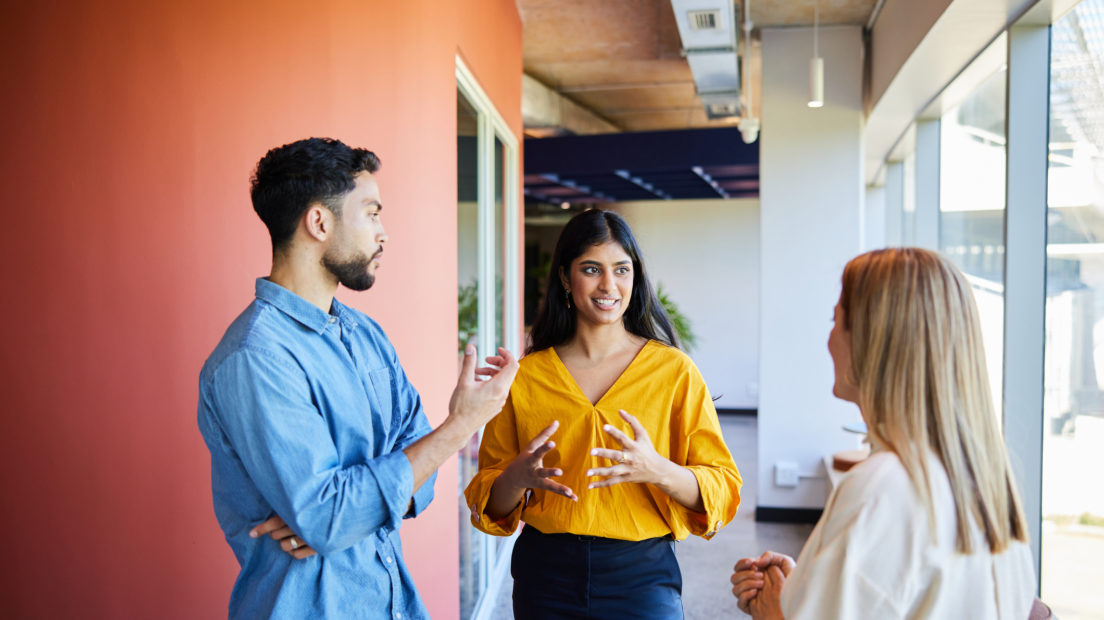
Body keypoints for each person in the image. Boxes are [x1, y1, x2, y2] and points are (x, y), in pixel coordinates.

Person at [197, 137, 518, 619]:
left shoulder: (365, 334)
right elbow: (332, 514)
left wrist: (349, 509)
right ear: (319, 222)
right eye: (371, 213)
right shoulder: (255, 357)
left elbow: (412, 487)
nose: (384, 232)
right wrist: (457, 429)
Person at [464, 209, 743, 619]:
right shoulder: (526, 377)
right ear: (565, 277)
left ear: (636, 277)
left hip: (642, 577)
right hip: (546, 575)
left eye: (622, 269)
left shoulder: (673, 371)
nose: (609, 285)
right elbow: (489, 502)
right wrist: (516, 479)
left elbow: (723, 487)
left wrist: (657, 469)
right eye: (591, 269)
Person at [730, 248, 1036, 620]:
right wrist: (807, 588)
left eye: (835, 319)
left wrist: (776, 612)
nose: (828, 341)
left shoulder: (880, 489)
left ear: (871, 338)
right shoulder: (985, 481)